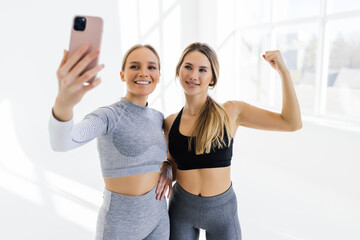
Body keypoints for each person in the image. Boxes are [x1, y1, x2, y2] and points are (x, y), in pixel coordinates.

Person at [156, 42, 302, 240]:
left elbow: (291, 122)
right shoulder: (170, 122)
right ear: (178, 70)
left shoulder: (231, 112)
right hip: (182, 208)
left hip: (222, 212)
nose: (193, 75)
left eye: (202, 70)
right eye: (188, 67)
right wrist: (165, 166)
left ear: (212, 78)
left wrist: (283, 71)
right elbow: (174, 165)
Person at [49, 43, 170, 240]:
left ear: (158, 75)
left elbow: (165, 156)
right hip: (119, 223)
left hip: (158, 216)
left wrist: (167, 168)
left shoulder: (158, 117)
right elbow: (63, 142)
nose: (143, 72)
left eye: (151, 67)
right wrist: (64, 102)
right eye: (134, 66)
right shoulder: (109, 116)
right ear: (122, 75)